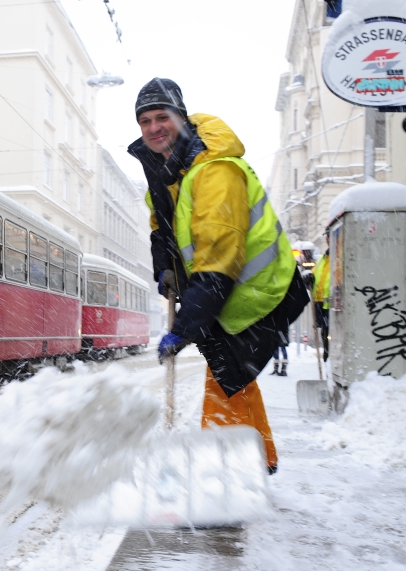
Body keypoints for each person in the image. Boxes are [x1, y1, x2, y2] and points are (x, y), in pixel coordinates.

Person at [128, 78, 309, 475]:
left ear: (182, 118)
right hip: (234, 290)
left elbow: (218, 259)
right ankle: (257, 463)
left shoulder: (214, 170)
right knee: (233, 378)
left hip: (257, 291)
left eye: (163, 116)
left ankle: (221, 480)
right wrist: (165, 268)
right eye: (145, 120)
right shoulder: (168, 173)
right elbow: (163, 227)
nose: (154, 127)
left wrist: (185, 329)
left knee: (226, 377)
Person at [313, 235, 331, 361]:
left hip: (334, 306)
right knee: (325, 333)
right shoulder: (323, 259)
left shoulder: (340, 257)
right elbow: (314, 274)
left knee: (330, 335)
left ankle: (330, 357)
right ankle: (326, 358)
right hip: (321, 304)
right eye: (328, 237)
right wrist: (309, 277)